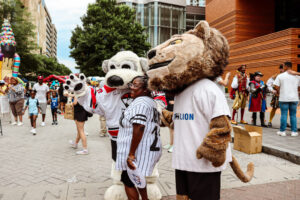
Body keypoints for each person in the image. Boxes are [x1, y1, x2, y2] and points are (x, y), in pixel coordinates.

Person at [116, 76, 162, 200]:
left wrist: (131, 154)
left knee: (128, 180)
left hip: (139, 150)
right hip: (147, 148)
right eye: (131, 84)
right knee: (137, 177)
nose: (131, 87)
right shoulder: (150, 102)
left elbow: (139, 126)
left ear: (146, 90)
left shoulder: (141, 102)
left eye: (135, 85)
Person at [274, 62, 300, 137]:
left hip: (284, 98)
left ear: (285, 66)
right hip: (294, 98)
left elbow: (276, 86)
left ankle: (282, 131)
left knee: (284, 115)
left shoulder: (280, 76)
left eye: (283, 66)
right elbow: (299, 87)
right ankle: (294, 132)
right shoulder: (297, 76)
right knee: (293, 115)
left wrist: (279, 92)